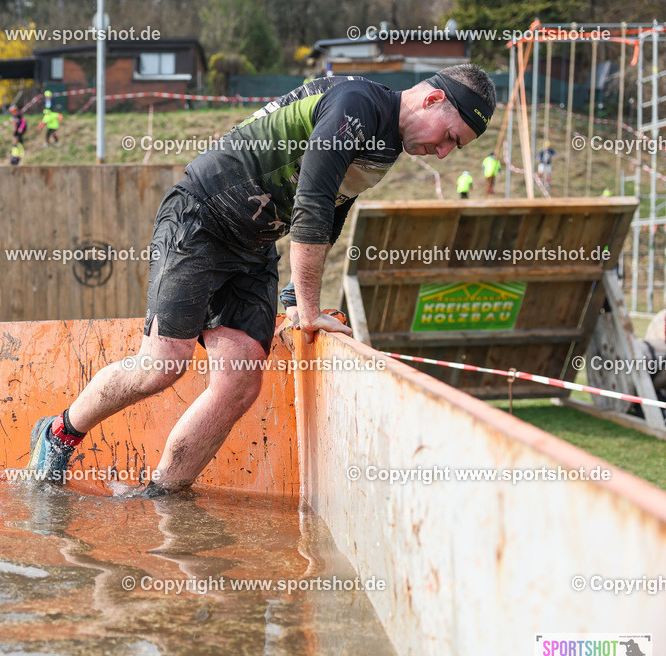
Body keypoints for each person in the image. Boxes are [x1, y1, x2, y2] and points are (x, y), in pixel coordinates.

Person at [27, 63, 496, 495]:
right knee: (162, 365)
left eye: (455, 147)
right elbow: (311, 202)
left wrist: (295, 297)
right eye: (450, 137)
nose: (443, 153)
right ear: (433, 100)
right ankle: (59, 433)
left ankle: (161, 498)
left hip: (253, 245)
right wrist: (309, 312)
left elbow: (332, 213)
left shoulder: (388, 143)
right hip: (202, 216)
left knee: (241, 379)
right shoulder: (357, 104)